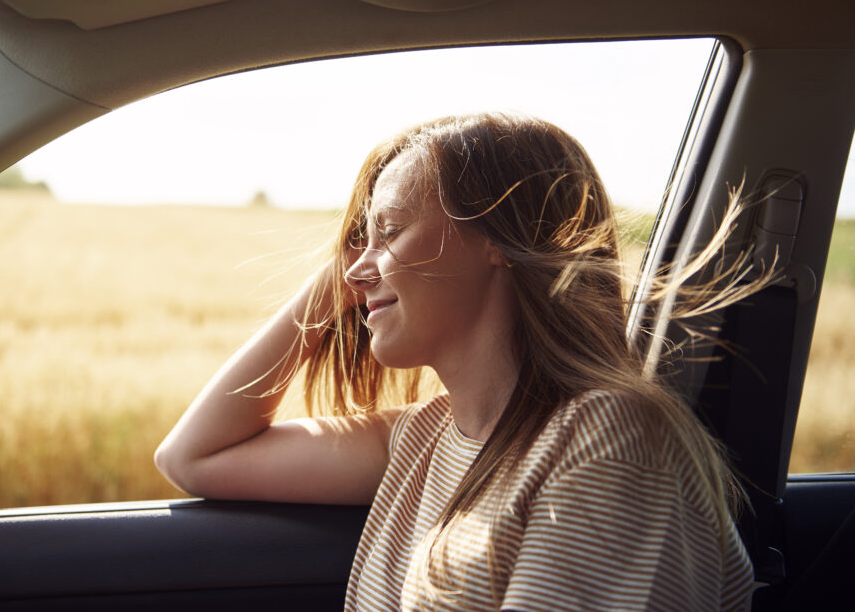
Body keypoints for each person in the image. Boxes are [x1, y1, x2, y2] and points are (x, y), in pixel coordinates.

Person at [155, 113, 757, 610]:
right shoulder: (423, 439)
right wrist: (353, 270)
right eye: (359, 244)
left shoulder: (610, 440)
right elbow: (193, 456)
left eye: (389, 230)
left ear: (498, 237)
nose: (356, 273)